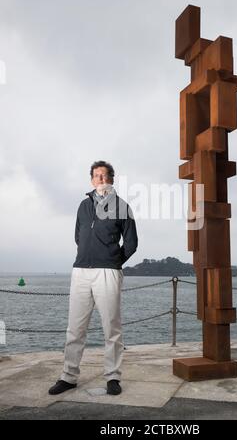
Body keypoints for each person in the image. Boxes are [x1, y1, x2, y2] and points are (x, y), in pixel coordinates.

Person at [48, 160, 138, 396]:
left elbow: (131, 243)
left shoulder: (122, 206)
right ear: (91, 180)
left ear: (111, 179)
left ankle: (113, 377)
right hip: (80, 271)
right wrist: (89, 256)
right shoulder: (82, 205)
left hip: (107, 272)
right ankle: (68, 376)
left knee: (112, 328)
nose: (100, 179)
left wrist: (112, 260)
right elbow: (78, 236)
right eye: (96, 176)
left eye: (105, 175)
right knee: (75, 329)